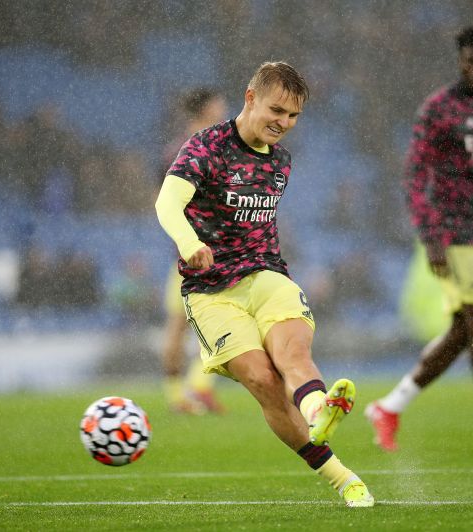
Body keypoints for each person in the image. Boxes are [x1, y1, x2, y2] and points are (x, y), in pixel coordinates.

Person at [155, 62, 374, 507]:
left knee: (292, 353)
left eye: (293, 116)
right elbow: (167, 202)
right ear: (250, 97)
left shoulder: (281, 162)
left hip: (267, 276)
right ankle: (341, 475)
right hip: (211, 291)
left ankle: (319, 411)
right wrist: (190, 241)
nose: (284, 124)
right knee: (262, 379)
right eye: (277, 110)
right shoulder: (206, 146)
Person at [365, 25, 473, 453]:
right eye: (471, 62)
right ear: (461, 61)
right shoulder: (439, 109)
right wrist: (430, 237)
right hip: (451, 230)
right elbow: (414, 176)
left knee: (468, 330)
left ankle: (390, 406)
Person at [160, 88, 229, 415]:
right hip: (193, 250)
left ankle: (198, 387)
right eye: (219, 104)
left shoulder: (220, 146)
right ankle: (179, 394)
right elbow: (165, 199)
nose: (225, 109)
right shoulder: (182, 150)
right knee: (180, 323)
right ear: (204, 109)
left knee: (221, 319)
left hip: (220, 248)